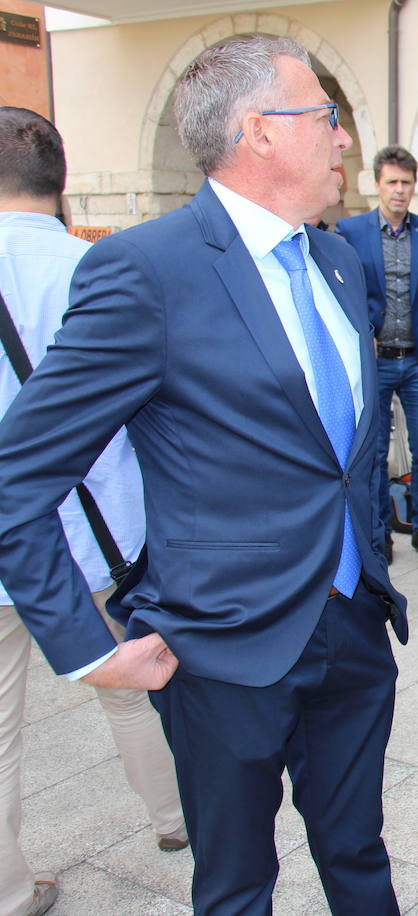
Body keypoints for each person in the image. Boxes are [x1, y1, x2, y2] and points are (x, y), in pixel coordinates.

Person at [0, 36, 408, 915]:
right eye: (327, 117)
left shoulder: (338, 260)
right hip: (222, 648)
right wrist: (86, 648)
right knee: (235, 886)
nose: (344, 140)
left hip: (353, 626)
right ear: (259, 132)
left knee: (360, 855)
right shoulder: (145, 270)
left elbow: (341, 451)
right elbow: (17, 479)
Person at [0, 106, 187, 916]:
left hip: (11, 548)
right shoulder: (95, 269)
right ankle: (179, 820)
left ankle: (8, 891)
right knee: (134, 688)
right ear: (61, 179)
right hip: (104, 529)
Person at [336, 145, 418, 564]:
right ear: (377, 185)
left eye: (406, 182)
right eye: (392, 182)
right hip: (376, 361)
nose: (399, 190)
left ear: (414, 185)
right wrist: (358, 333)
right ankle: (381, 533)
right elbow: (339, 291)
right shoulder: (350, 232)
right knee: (375, 454)